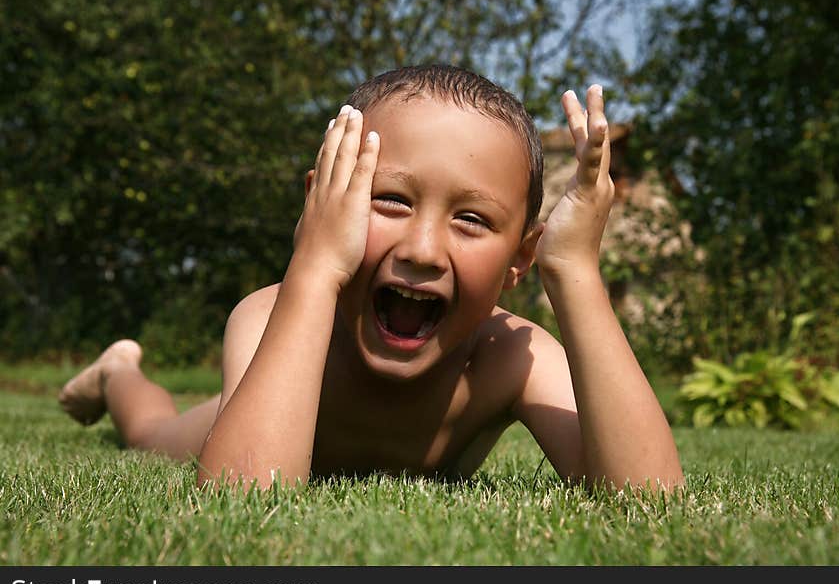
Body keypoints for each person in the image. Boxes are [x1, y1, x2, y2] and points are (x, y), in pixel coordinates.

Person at [58, 64, 684, 492]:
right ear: (326, 202)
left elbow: (645, 496)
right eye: (391, 201)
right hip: (246, 409)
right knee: (148, 435)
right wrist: (314, 264)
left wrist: (575, 270)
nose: (423, 249)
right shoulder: (273, 315)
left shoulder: (510, 357)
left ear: (519, 259)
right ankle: (120, 371)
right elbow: (239, 496)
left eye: (471, 219)